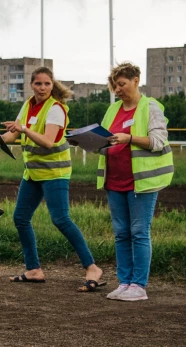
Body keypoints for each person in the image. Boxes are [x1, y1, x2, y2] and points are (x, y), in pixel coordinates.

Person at [0, 66, 104, 292]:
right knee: (21, 218)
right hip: (33, 173)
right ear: (31, 85)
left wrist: (23, 129)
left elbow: (48, 141)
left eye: (47, 84)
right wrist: (1, 138)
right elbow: (15, 132)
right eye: (38, 84)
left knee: (61, 219)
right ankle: (33, 269)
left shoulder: (56, 109)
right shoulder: (28, 105)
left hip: (55, 172)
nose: (42, 88)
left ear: (52, 86)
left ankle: (92, 268)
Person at [97, 62, 174, 301]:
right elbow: (106, 138)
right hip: (115, 180)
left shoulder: (150, 107)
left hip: (141, 181)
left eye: (121, 84)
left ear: (136, 80)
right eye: (114, 86)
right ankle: (124, 282)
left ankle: (139, 285)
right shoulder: (112, 110)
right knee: (121, 233)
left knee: (139, 232)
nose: (118, 90)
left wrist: (129, 138)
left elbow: (158, 140)